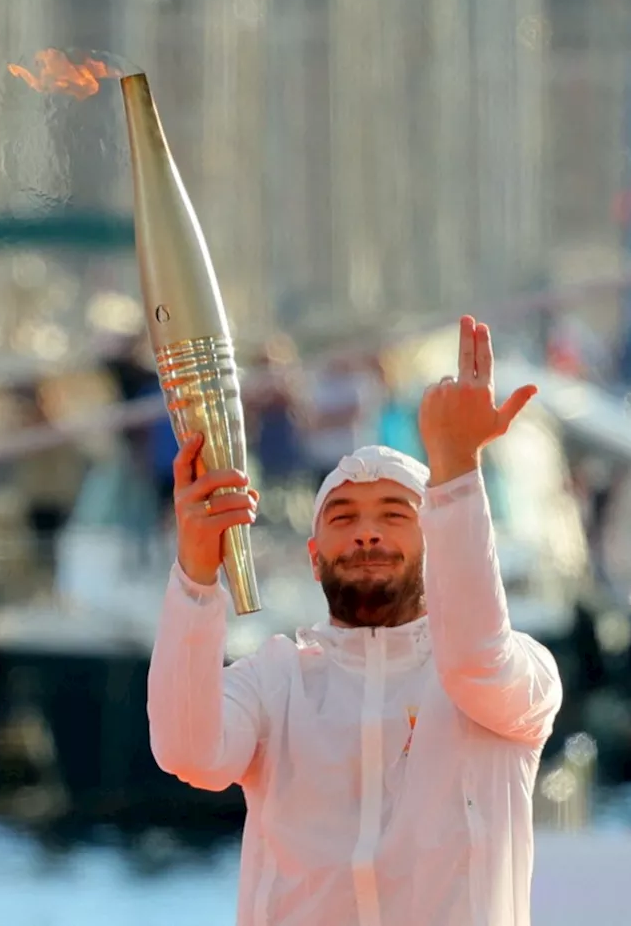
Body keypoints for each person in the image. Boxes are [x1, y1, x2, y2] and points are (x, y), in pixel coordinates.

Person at [148, 317, 562, 926]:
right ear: (315, 560)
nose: (367, 530)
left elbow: (475, 659)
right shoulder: (276, 681)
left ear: (437, 538)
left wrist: (456, 470)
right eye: (343, 517)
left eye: (396, 513)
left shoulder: (521, 675)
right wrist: (194, 574)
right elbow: (188, 751)